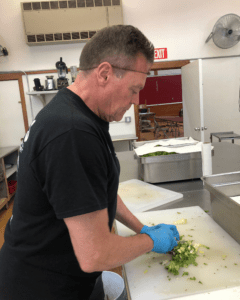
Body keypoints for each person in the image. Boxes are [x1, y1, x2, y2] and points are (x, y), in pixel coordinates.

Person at [0, 25, 179, 300]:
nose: (136, 100)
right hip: (42, 288)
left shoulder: (79, 114)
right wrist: (150, 242)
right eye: (134, 89)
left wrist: (140, 228)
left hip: (59, 277)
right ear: (105, 73)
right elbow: (95, 255)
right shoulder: (72, 133)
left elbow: (97, 193)